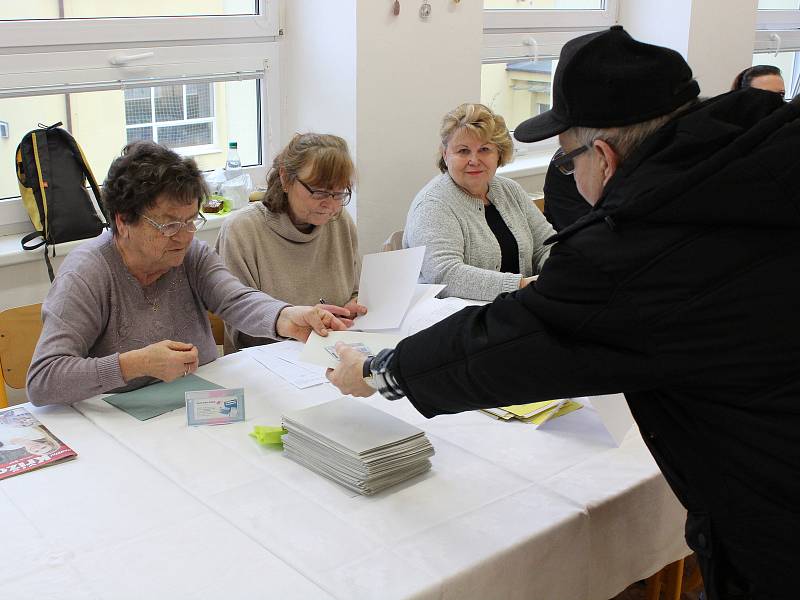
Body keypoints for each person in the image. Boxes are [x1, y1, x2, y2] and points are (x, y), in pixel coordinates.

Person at [328, 26, 800, 599]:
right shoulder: (761, 158)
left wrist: (381, 372)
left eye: (566, 157)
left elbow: (505, 341)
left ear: (602, 154)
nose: (570, 174)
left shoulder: (641, 245)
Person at [27, 141, 348, 406]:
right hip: (122, 422)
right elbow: (43, 379)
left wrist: (287, 317)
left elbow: (235, 300)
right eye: (168, 225)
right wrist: (134, 364)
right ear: (123, 221)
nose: (184, 235)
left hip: (200, 406)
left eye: (191, 220)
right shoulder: (87, 273)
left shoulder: (189, 254)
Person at [215, 133, 365, 354]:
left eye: (339, 193)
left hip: (330, 353)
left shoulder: (340, 222)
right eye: (319, 191)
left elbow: (354, 291)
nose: (330, 205)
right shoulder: (242, 230)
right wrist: (294, 322)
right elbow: (240, 326)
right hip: (268, 363)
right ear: (285, 178)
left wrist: (353, 308)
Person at [403, 103, 555, 301]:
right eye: (463, 151)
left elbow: (547, 245)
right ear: (445, 154)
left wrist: (556, 272)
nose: (474, 160)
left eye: (484, 149)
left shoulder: (510, 190)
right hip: (457, 320)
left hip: (517, 307)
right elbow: (444, 275)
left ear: (499, 153)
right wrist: (521, 285)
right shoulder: (432, 205)